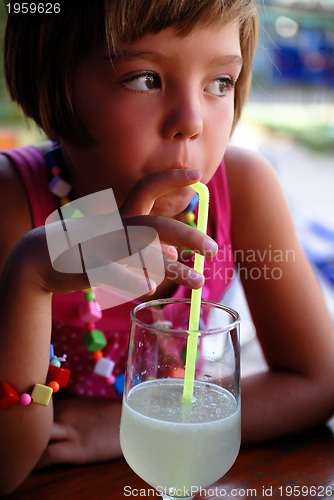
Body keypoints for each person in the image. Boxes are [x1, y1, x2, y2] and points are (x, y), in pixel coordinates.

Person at [0, 0, 333, 495]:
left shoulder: (240, 186)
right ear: (55, 79)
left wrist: (121, 426)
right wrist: (32, 275)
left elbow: (317, 382)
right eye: (145, 79)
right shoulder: (14, 203)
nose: (192, 120)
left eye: (220, 82)